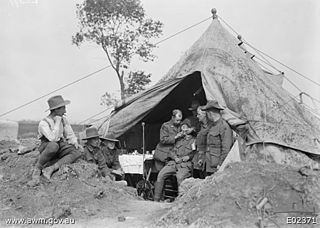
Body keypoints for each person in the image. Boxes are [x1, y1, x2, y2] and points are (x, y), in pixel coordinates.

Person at [28, 95, 82, 186]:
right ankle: (37, 169)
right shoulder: (44, 123)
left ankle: (51, 168)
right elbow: (52, 139)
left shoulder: (63, 120)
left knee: (78, 151)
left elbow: (70, 134)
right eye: (63, 108)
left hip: (59, 145)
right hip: (47, 147)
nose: (65, 111)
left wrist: (75, 142)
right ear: (56, 109)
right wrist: (57, 122)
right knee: (54, 145)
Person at [154, 120, 196, 202]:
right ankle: (156, 200)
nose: (184, 130)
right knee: (161, 174)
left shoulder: (194, 140)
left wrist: (189, 157)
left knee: (180, 177)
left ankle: (182, 201)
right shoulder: (178, 140)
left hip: (185, 164)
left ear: (190, 129)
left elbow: (196, 153)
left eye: (186, 128)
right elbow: (171, 151)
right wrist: (174, 157)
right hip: (174, 163)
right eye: (182, 128)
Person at [201, 100, 233, 176]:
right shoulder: (212, 126)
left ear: (210, 113)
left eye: (206, 113)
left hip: (216, 166)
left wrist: (221, 164)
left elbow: (226, 148)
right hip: (208, 164)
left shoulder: (224, 126)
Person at [192, 106, 209, 179]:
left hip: (204, 159)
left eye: (199, 114)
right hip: (198, 157)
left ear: (205, 115)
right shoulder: (201, 126)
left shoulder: (210, 127)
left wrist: (202, 159)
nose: (197, 116)